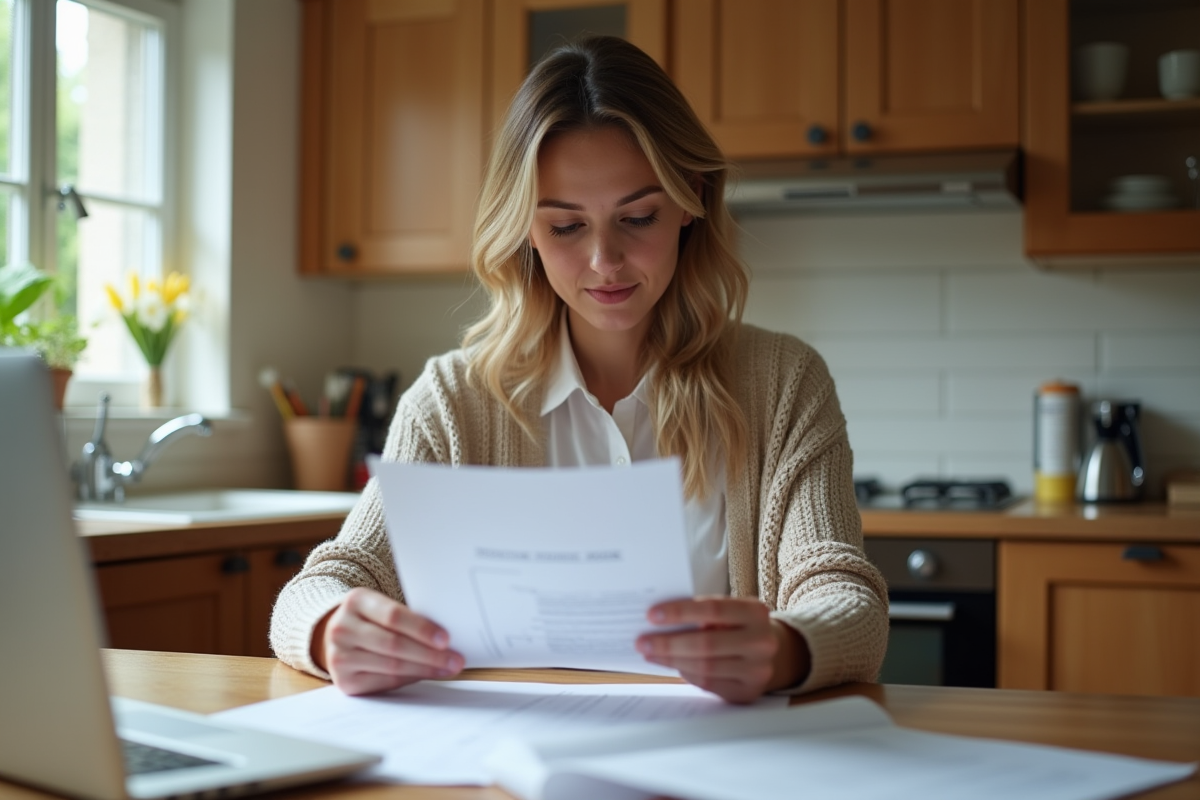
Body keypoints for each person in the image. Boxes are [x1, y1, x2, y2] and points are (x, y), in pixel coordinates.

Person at [271, 35, 888, 704]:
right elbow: (328, 579)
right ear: (525, 230)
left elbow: (844, 594)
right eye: (566, 227)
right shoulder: (452, 400)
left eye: (639, 217)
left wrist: (785, 648)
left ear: (691, 200)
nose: (605, 261)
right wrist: (331, 629)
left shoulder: (783, 382)